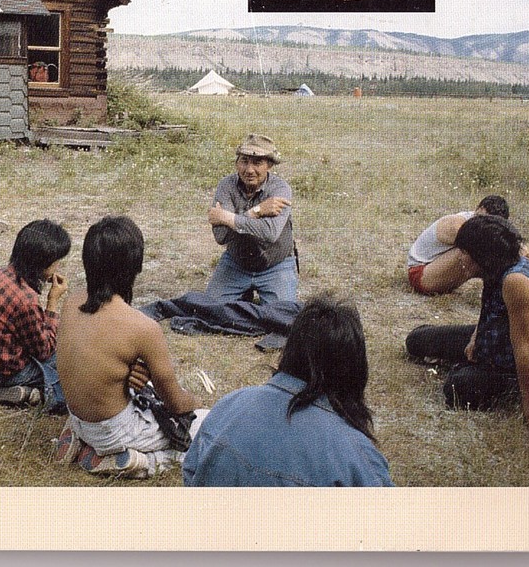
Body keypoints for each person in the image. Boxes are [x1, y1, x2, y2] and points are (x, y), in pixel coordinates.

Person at [183, 296, 394, 487]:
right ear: (354, 370)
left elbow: (191, 474)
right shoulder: (357, 457)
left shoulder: (227, 406)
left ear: (290, 350)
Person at [54, 216, 205, 478]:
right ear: (134, 267)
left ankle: (81, 438)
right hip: (114, 430)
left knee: (144, 388)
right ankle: (136, 461)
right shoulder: (143, 328)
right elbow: (177, 404)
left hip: (79, 416)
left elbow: (98, 363)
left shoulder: (70, 302)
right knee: (206, 428)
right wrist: (197, 401)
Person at [405, 215, 529, 433]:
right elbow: (489, 307)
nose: (461, 259)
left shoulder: (517, 282)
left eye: (465, 253)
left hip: (521, 361)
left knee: (457, 389)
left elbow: (524, 351)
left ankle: (517, 387)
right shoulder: (495, 267)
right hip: (495, 340)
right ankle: (473, 365)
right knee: (416, 340)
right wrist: (475, 338)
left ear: (483, 256)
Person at [0, 220, 71, 413]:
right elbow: (44, 351)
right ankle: (12, 388)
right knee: (71, 363)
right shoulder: (26, 300)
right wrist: (53, 302)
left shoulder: (0, 274)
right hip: (13, 371)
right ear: (40, 263)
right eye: (56, 261)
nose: (57, 266)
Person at [205, 133, 297, 304]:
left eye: (257, 163)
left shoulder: (281, 189)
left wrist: (227, 218)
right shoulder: (226, 185)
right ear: (236, 163)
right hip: (236, 262)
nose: (249, 170)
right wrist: (256, 212)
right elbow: (221, 236)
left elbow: (269, 232)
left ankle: (245, 297)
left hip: (275, 264)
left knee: (281, 316)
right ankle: (242, 294)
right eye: (244, 161)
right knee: (210, 309)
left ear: (269, 165)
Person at [407, 195, 511, 295]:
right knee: (473, 253)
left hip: (437, 269)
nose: (483, 224)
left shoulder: (483, 227)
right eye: (482, 219)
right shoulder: (456, 223)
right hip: (420, 274)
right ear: (478, 209)